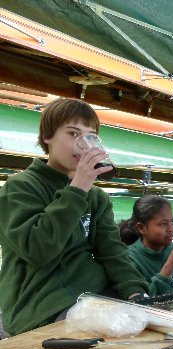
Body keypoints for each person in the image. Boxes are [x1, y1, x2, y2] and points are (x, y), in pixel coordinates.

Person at [0, 98, 148, 336]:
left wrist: (135, 290)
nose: (84, 144)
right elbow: (38, 249)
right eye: (73, 133)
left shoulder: (97, 197)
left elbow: (111, 251)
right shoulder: (19, 188)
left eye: (91, 136)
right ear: (47, 136)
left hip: (94, 297)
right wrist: (77, 188)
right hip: (41, 306)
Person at [119, 195, 173, 296]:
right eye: (163, 224)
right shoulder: (129, 259)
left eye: (172, 222)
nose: (171, 229)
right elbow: (143, 304)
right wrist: (169, 267)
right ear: (141, 228)